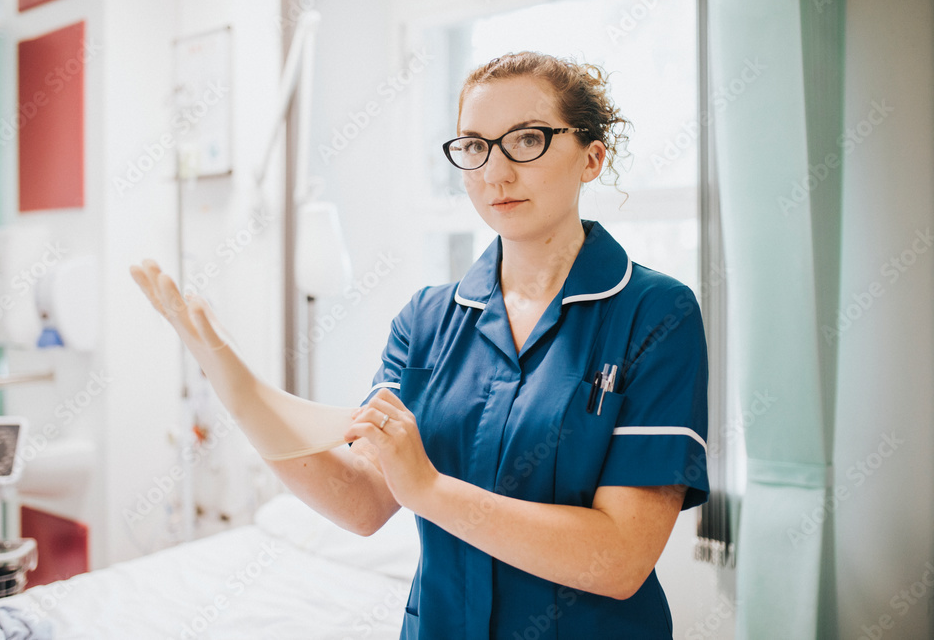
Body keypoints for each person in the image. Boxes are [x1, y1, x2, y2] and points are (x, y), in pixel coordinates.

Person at [131, 51, 708, 639]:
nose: (494, 173)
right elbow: (364, 503)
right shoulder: (428, 318)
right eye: (474, 146)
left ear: (593, 157)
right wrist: (237, 388)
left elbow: (619, 559)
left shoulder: (656, 312)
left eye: (527, 140)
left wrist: (429, 489)